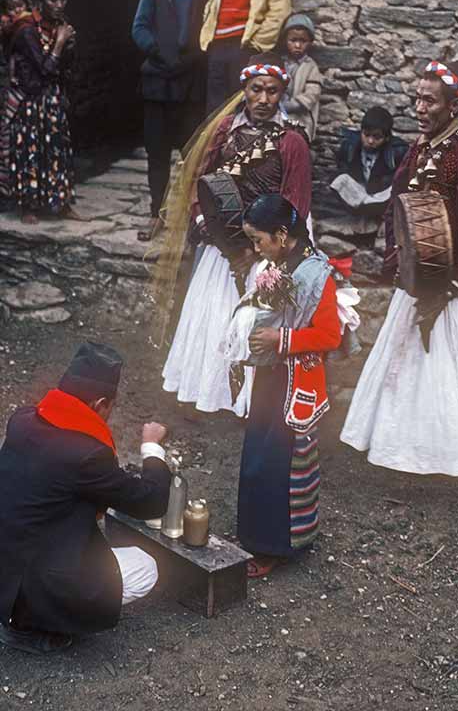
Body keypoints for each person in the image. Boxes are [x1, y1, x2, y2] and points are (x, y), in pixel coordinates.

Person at [341, 60, 458, 477]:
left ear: (452, 106)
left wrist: (448, 284)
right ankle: (402, 442)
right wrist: (402, 262)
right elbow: (397, 208)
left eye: (430, 100)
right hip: (420, 274)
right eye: (417, 98)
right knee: (410, 363)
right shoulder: (418, 150)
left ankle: (449, 447)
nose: (420, 107)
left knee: (449, 363)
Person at [161, 54, 312, 418]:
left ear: (282, 94)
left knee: (254, 321)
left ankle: (249, 400)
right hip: (221, 244)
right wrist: (202, 217)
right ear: (244, 90)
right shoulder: (225, 129)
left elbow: (296, 201)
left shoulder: (291, 141)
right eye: (256, 89)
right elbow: (202, 177)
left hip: (266, 250)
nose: (263, 99)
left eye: (272, 92)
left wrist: (270, 247)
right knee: (213, 314)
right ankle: (208, 389)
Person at [0, 342, 171, 655]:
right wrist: (151, 448)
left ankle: (20, 613)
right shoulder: (88, 455)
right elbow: (151, 502)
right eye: (112, 407)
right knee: (146, 568)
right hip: (34, 584)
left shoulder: (21, 420)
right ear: (101, 403)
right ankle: (36, 627)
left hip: (6, 563)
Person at [228, 195, 341, 577]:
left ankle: (277, 546)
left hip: (296, 381)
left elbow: (329, 335)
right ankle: (256, 535)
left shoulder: (315, 274)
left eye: (258, 239)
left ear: (281, 234)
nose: (255, 248)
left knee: (280, 460)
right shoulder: (277, 264)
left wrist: (281, 340)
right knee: (259, 452)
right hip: (271, 377)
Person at [132, 0, 211, 242]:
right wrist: (160, 55)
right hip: (158, 81)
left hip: (191, 80)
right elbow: (139, 27)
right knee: (158, 153)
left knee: (193, 154)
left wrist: (192, 58)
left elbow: (211, 26)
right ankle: (156, 214)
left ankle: (191, 218)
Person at [7, 0, 77, 224]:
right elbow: (44, 69)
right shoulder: (26, 31)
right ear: (40, 2)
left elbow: (63, 70)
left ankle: (61, 203)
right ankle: (28, 206)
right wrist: (59, 44)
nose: (59, 5)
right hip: (31, 101)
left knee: (57, 149)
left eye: (63, 0)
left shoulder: (58, 26)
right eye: (53, 0)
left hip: (53, 100)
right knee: (31, 151)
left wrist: (67, 47)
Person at [320, 107, 408, 252]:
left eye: (377, 137)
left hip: (381, 197)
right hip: (359, 194)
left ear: (386, 138)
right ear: (361, 132)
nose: (370, 141)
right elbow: (342, 171)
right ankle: (361, 218)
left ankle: (375, 222)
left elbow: (399, 180)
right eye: (366, 135)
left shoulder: (397, 151)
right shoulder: (349, 146)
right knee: (339, 180)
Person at [0, 0, 33, 208]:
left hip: (24, 87)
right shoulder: (7, 28)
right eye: (10, 9)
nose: (15, 12)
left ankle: (19, 191)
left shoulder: (28, 26)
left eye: (19, 6)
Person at [278, 13, 323, 142]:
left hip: (300, 118)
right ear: (285, 41)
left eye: (302, 41)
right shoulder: (280, 63)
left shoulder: (311, 67)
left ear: (309, 42)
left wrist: (289, 105)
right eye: (293, 40)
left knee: (294, 141)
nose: (297, 45)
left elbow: (312, 94)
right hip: (277, 115)